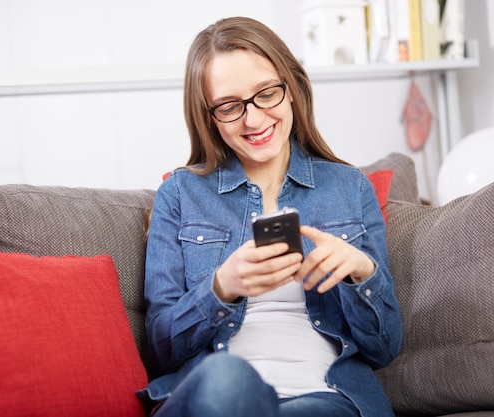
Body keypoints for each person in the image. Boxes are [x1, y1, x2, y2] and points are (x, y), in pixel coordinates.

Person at [137, 16, 403, 417]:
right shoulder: (180, 195)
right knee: (229, 379)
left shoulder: (350, 188)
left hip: (324, 400)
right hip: (219, 397)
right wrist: (221, 288)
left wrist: (362, 273)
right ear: (209, 116)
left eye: (266, 93)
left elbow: (383, 349)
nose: (254, 119)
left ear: (291, 88)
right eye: (230, 106)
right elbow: (159, 352)